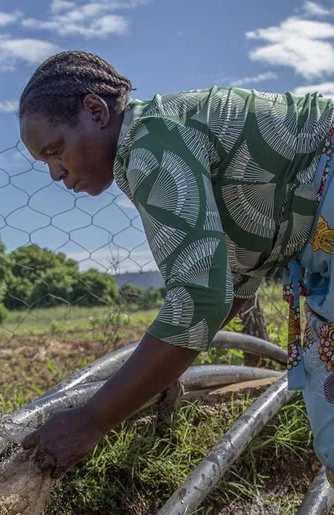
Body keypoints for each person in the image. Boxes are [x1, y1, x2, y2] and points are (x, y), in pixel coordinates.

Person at [19, 50, 334, 483]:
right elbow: (232, 292)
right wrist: (155, 376)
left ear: (95, 111)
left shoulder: (151, 144)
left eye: (55, 151)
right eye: (45, 163)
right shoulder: (157, 140)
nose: (55, 172)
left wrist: (92, 419)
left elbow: (201, 297)